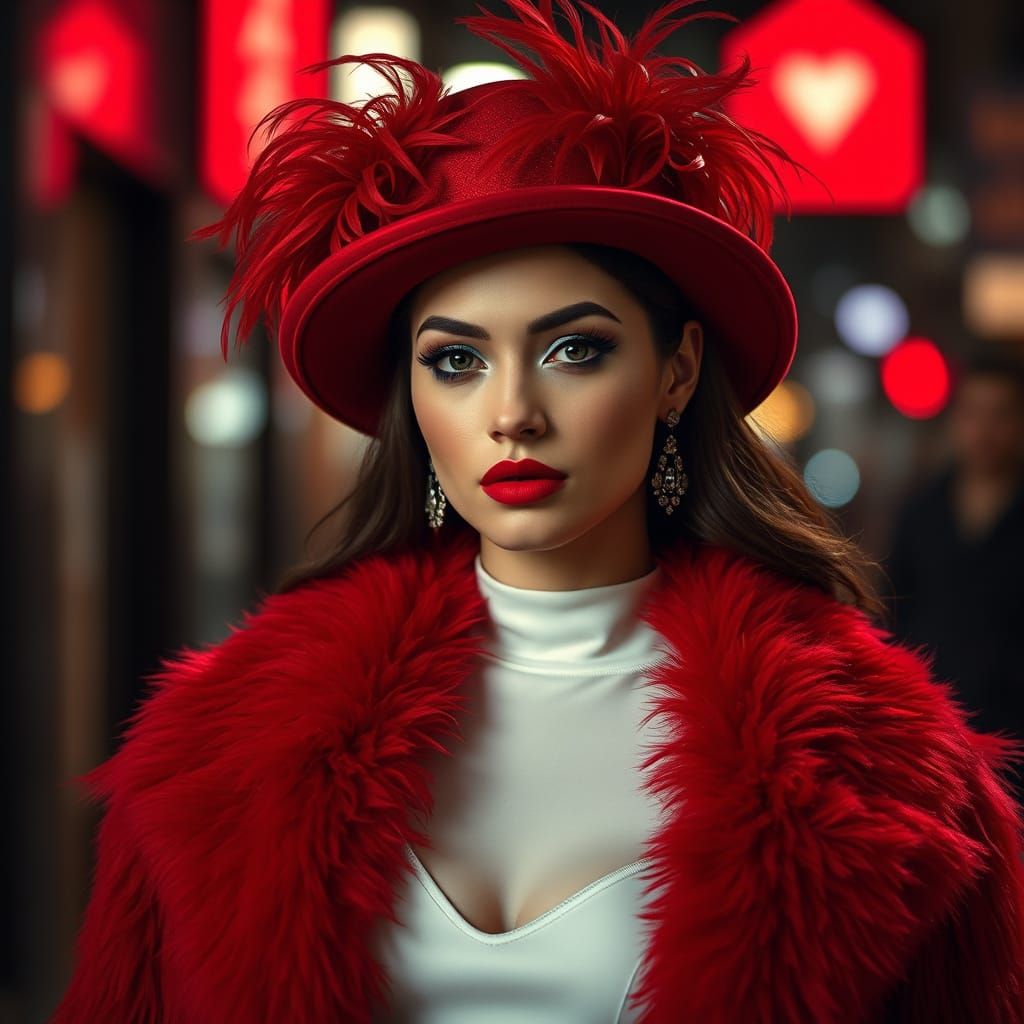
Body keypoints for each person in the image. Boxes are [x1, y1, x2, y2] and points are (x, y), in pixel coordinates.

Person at [52, 1, 1024, 1021]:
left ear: (677, 371)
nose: (512, 412)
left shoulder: (885, 778)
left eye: (574, 349)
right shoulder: (220, 754)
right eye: (455, 361)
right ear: (411, 395)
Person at [887, 349, 1024, 798]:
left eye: (1000, 415)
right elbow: (893, 614)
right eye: (972, 414)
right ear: (955, 420)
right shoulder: (921, 513)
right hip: (935, 736)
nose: (984, 431)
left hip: (1015, 740)